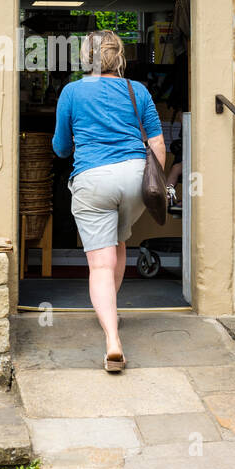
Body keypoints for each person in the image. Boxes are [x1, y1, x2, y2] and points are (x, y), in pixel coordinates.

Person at [52, 30, 165, 372]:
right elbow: (158, 145)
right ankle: (111, 312)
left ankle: (113, 341)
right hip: (133, 179)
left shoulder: (72, 91)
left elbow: (60, 147)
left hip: (94, 181)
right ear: (120, 57)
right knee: (118, 241)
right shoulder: (138, 90)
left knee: (100, 265)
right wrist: (157, 183)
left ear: (87, 58)